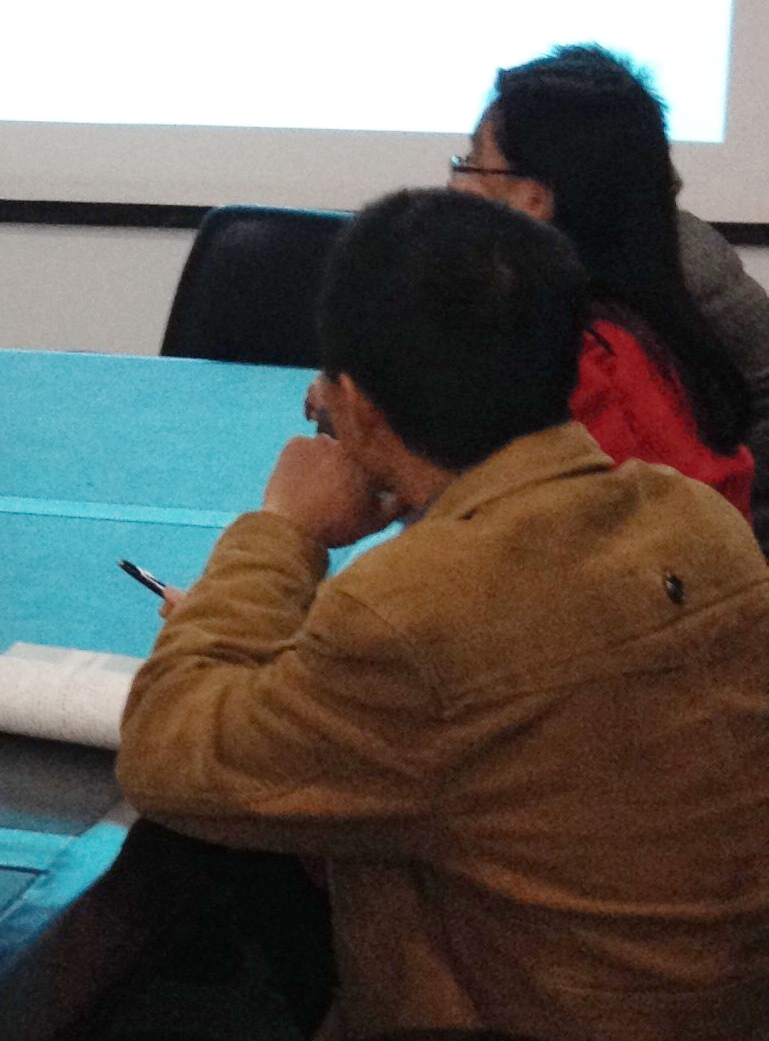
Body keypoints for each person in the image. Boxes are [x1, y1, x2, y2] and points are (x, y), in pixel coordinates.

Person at [118, 187, 769, 1039]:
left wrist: (282, 533)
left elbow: (167, 752)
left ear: (357, 405)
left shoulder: (410, 613)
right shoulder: (695, 520)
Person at [451, 44, 758, 522]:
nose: (455, 185)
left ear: (534, 201)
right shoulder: (637, 324)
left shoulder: (582, 369)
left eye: (472, 162)